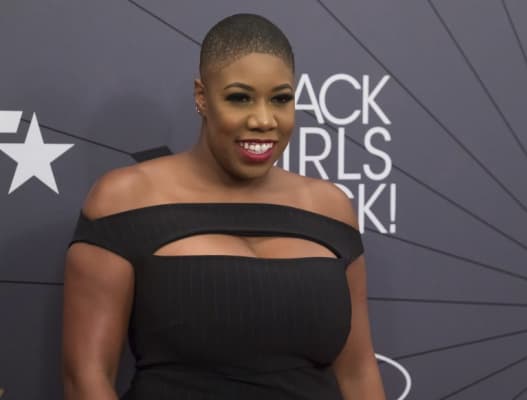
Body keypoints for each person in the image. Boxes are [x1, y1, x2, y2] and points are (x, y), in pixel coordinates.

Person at [62, 13, 386, 400]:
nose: (263, 120)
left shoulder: (330, 208)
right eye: (239, 98)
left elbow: (358, 372)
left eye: (280, 99)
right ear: (202, 97)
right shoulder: (124, 198)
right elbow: (87, 377)